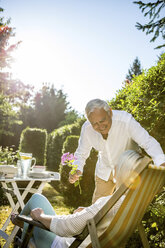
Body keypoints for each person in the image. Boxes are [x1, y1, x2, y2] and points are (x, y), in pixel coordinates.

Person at [12, 150, 146, 248]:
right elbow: (101, 222)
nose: (114, 167)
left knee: (36, 199)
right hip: (86, 241)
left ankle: (26, 229)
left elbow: (68, 227)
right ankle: (27, 229)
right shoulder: (131, 202)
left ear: (123, 171)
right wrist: (87, 212)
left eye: (117, 165)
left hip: (63, 245)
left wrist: (40, 217)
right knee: (38, 211)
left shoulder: (111, 202)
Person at [69, 99, 165, 203]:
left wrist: (161, 163)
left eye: (102, 121)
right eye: (95, 124)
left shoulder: (125, 120)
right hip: (104, 172)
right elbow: (81, 153)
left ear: (110, 112)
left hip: (128, 171)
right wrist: (77, 168)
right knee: (97, 210)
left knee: (125, 207)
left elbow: (147, 142)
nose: (100, 126)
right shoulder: (87, 128)